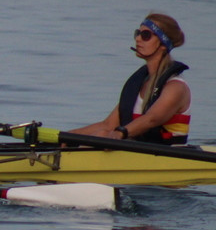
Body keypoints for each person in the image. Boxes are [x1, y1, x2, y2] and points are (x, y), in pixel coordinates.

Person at [69, 13, 190, 144]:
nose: (138, 39)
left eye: (145, 35)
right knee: (102, 133)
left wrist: (120, 133)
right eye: (137, 33)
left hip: (166, 156)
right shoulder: (138, 83)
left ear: (163, 44)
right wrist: (66, 136)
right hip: (138, 153)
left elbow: (152, 119)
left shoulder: (176, 87)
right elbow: (108, 125)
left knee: (103, 135)